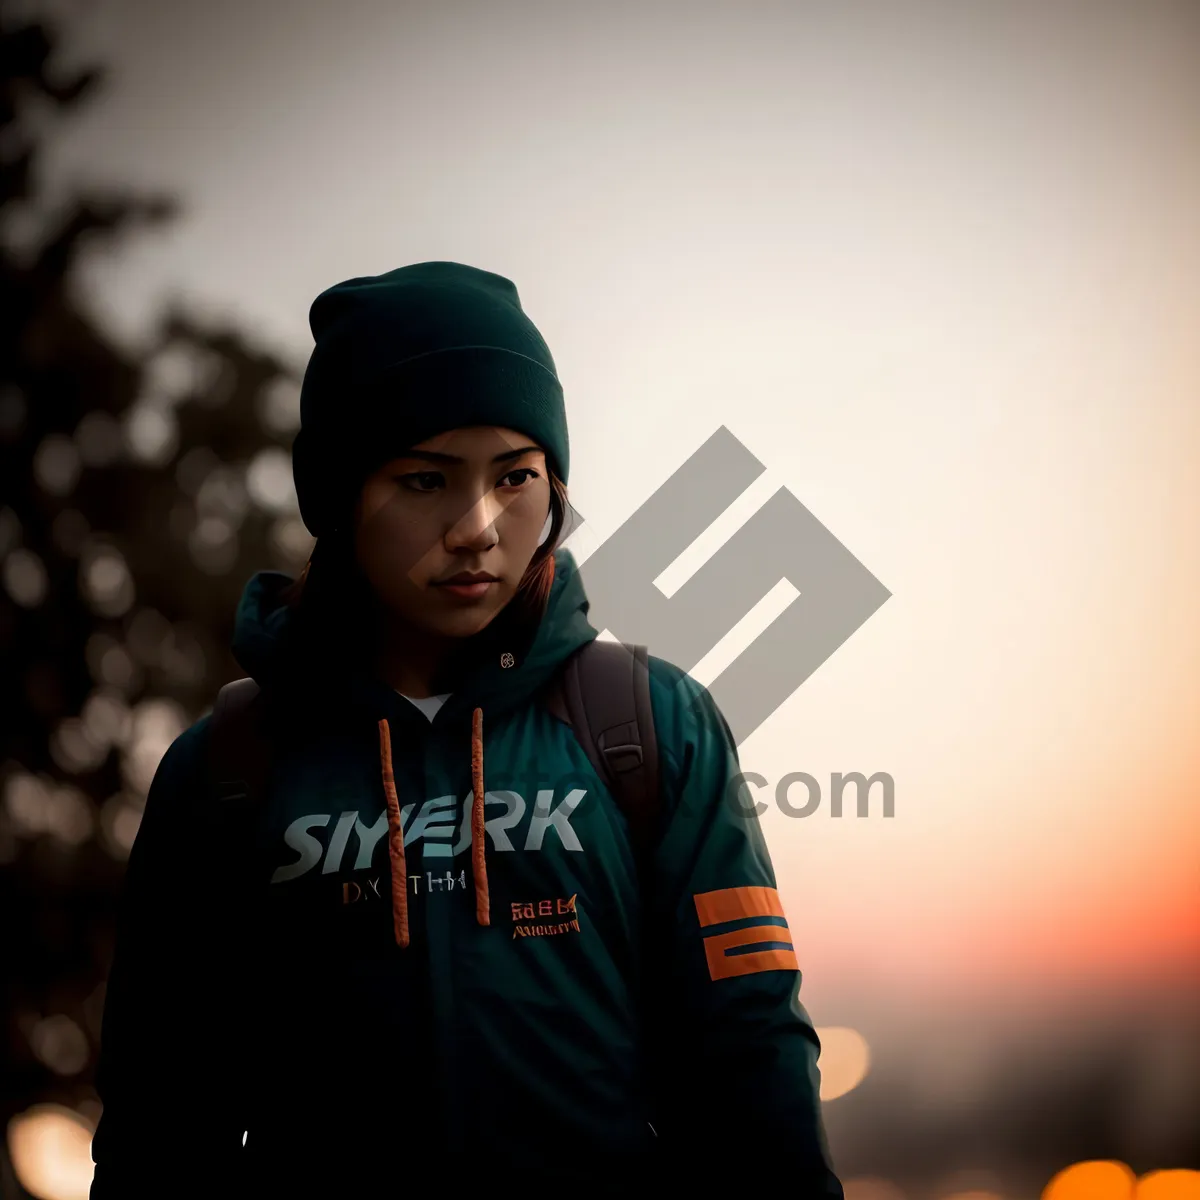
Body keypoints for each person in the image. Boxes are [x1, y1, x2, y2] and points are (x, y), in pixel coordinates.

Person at [89, 262, 844, 1197]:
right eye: (425, 480)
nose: (479, 526)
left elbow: (752, 1060)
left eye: (516, 476)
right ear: (338, 499)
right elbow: (162, 1120)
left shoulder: (652, 727)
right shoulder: (226, 770)